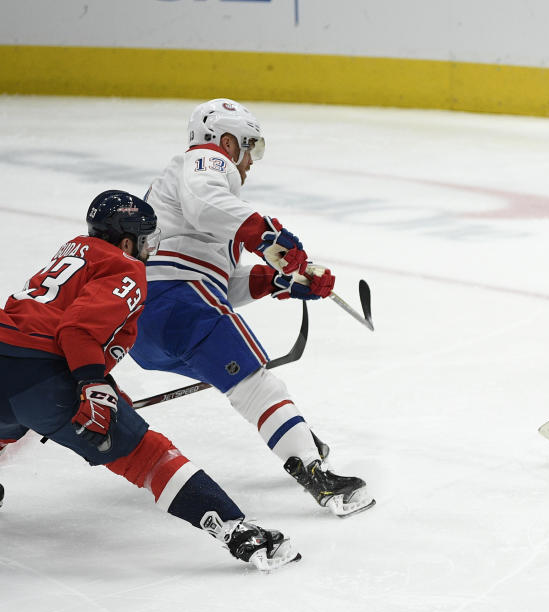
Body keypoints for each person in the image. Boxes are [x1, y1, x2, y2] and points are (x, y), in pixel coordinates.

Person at [0, 190, 300, 570]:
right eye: (144, 240)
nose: (147, 249)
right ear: (127, 241)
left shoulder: (72, 254)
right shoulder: (125, 266)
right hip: (43, 374)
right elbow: (76, 332)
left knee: (7, 420)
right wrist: (92, 384)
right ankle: (237, 530)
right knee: (149, 454)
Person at [129, 98, 374, 517]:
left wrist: (283, 281)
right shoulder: (206, 161)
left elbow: (217, 283)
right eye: (250, 147)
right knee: (256, 384)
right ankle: (314, 471)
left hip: (149, 324)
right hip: (177, 302)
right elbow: (206, 209)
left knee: (241, 379)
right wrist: (268, 236)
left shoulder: (201, 211)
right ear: (226, 141)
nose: (251, 162)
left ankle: (293, 435)